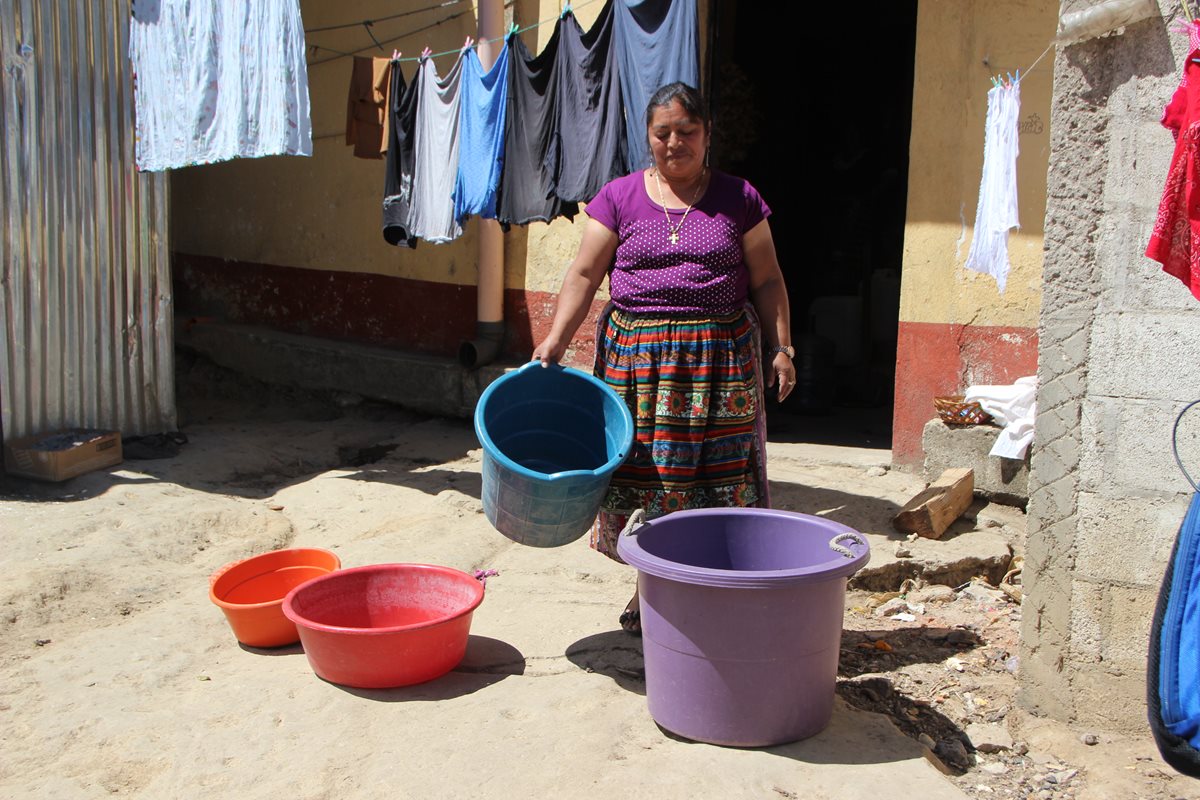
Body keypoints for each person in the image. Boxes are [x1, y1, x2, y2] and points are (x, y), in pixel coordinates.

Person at [532, 82, 795, 634]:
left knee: (715, 479)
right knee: (651, 480)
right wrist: (556, 339)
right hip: (638, 364)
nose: (675, 142)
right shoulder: (620, 196)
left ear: (707, 135)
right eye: (663, 132)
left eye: (687, 132)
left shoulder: (739, 197)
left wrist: (783, 348)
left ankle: (716, 587)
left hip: (719, 363)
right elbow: (584, 273)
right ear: (648, 137)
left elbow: (768, 278)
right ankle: (648, 590)